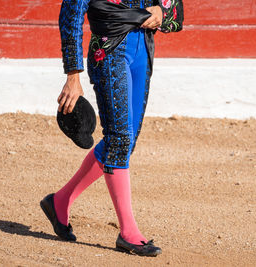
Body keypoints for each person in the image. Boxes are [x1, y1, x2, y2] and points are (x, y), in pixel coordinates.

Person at [40, 0, 166, 257]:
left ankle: (60, 201)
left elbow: (173, 6)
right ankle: (128, 232)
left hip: (143, 48)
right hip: (110, 50)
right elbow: (71, 14)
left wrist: (163, 12)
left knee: (124, 142)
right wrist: (73, 76)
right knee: (120, 139)